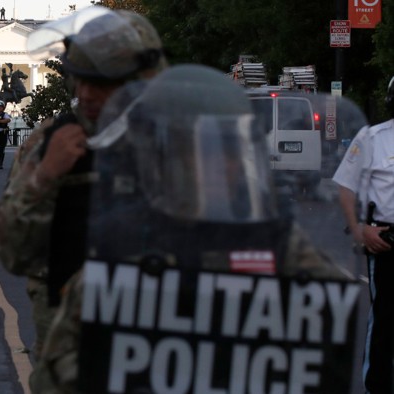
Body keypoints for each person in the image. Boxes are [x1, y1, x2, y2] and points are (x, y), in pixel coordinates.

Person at [33, 64, 353, 393]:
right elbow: (56, 373)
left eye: (226, 149)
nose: (213, 164)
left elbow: (330, 323)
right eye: (195, 151)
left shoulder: (274, 242)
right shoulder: (121, 245)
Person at [0, 7, 167, 366]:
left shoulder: (179, 141)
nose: (85, 94)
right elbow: (12, 253)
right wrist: (45, 177)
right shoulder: (52, 140)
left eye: (100, 82)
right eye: (78, 79)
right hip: (67, 343)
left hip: (158, 334)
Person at [333, 76, 394, 393]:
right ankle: (377, 386)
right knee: (384, 321)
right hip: (386, 243)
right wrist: (359, 228)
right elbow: (346, 185)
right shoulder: (373, 138)